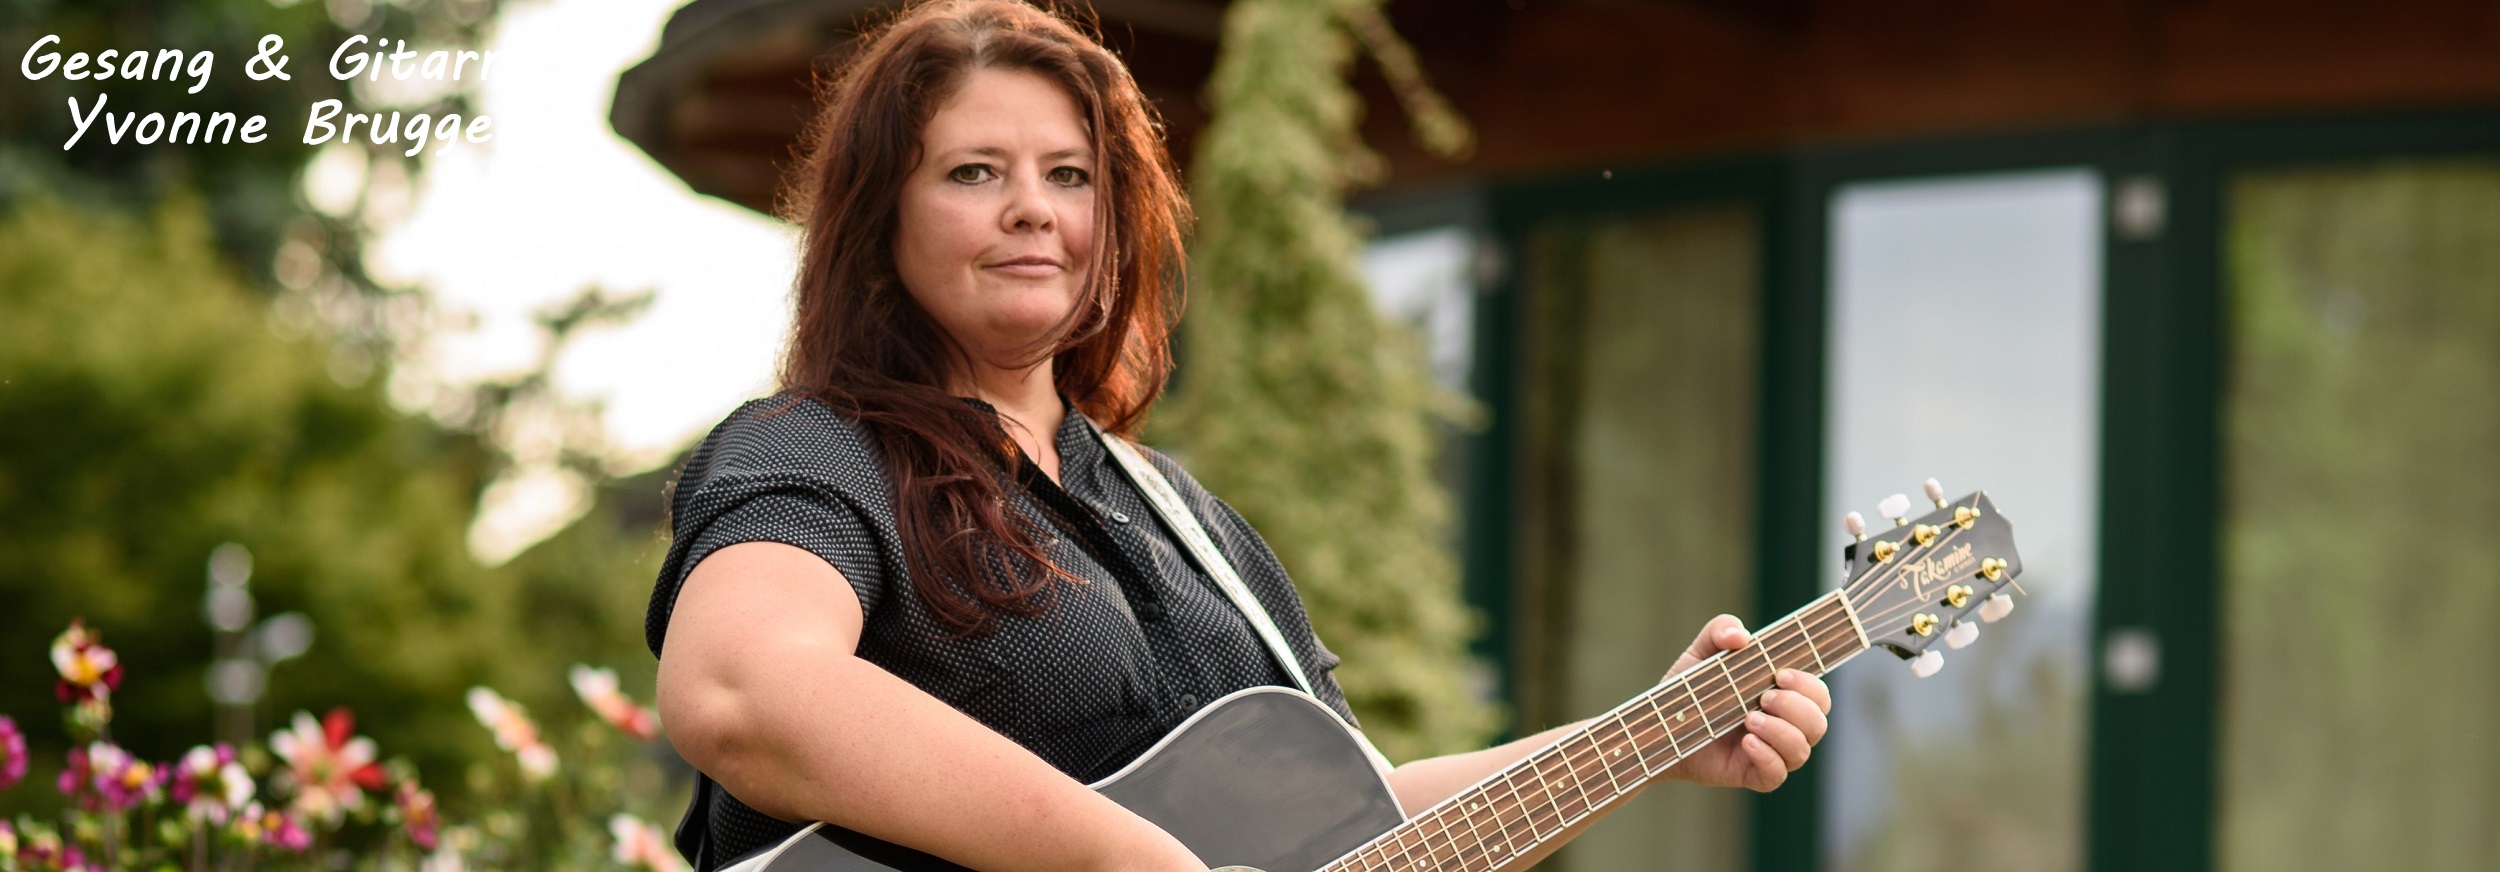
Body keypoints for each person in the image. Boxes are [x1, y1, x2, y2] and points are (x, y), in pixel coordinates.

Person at [646, 2, 1832, 869]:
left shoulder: (1188, 524)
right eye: (972, 170)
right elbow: (745, 686)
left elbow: (1351, 822)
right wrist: (1126, 857)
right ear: (881, 219)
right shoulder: (813, 452)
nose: (1031, 208)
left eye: (1071, 174)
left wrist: (1643, 735)